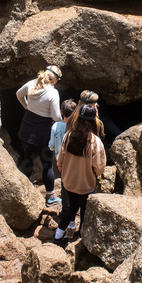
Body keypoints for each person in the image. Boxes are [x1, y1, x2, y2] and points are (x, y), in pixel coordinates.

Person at [53, 103, 106, 244]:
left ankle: (58, 236)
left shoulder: (69, 135)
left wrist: (61, 168)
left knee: (72, 208)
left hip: (69, 181)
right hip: (86, 183)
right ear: (94, 120)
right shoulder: (95, 141)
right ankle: (82, 238)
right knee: (84, 210)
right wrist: (94, 173)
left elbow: (61, 158)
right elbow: (99, 167)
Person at [16, 65, 63, 206]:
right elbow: (56, 116)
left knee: (27, 160)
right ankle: (50, 198)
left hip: (26, 130)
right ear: (55, 80)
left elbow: (18, 94)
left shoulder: (32, 84)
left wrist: (27, 107)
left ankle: (22, 193)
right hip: (43, 135)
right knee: (47, 166)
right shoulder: (53, 93)